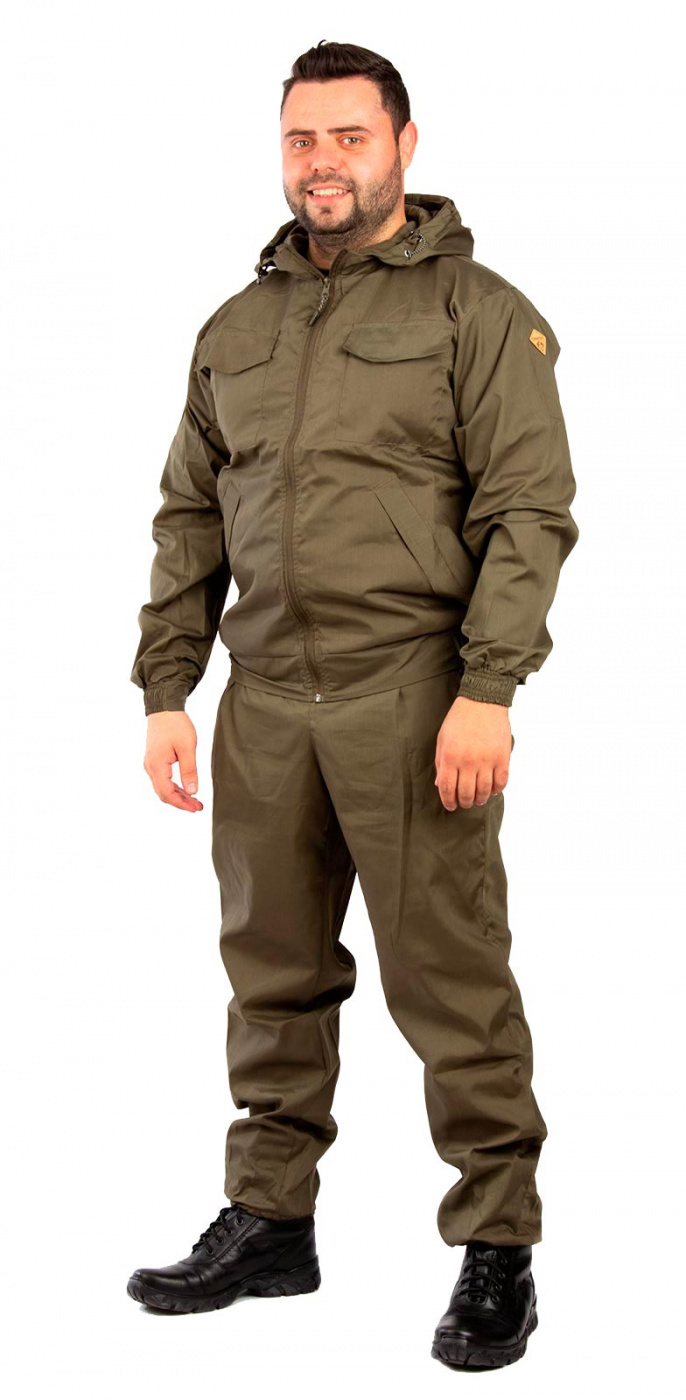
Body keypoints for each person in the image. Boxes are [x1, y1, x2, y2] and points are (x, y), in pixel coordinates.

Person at [127, 39, 578, 1370]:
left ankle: (496, 1246)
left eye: (349, 136)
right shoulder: (236, 327)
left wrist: (487, 688)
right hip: (264, 703)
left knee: (450, 980)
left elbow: (527, 513)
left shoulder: (477, 312)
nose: (322, 162)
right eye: (300, 139)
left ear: (403, 145)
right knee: (270, 971)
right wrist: (167, 687)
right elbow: (189, 517)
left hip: (412, 695)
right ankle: (272, 1218)